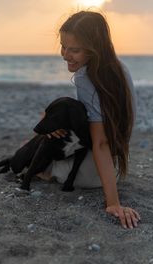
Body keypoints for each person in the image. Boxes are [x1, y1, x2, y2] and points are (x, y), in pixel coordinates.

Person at [44, 10, 141, 229]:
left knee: (41, 160)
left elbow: (100, 142)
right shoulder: (118, 68)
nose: (65, 54)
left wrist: (114, 203)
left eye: (74, 50)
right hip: (114, 164)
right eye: (63, 46)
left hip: (94, 174)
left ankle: (43, 167)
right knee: (52, 123)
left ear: (94, 48)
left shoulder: (85, 78)